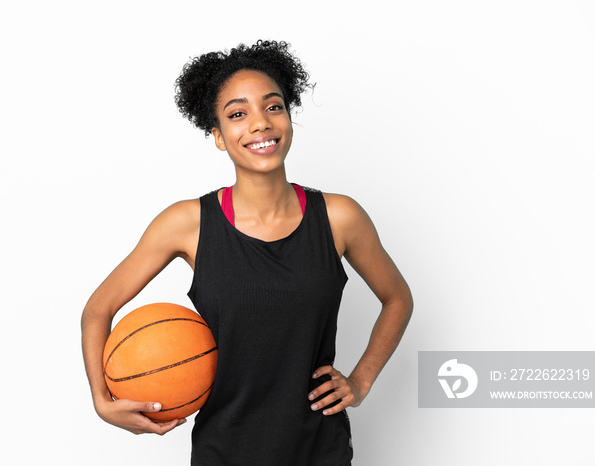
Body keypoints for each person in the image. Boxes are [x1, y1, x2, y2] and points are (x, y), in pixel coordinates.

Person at [81, 40, 413, 465]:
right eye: (238, 114)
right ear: (218, 136)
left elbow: (397, 298)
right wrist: (102, 400)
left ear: (289, 118)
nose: (259, 123)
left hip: (318, 448)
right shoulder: (188, 223)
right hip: (223, 450)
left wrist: (361, 380)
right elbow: (98, 309)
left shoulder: (339, 217)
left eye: (273, 107)